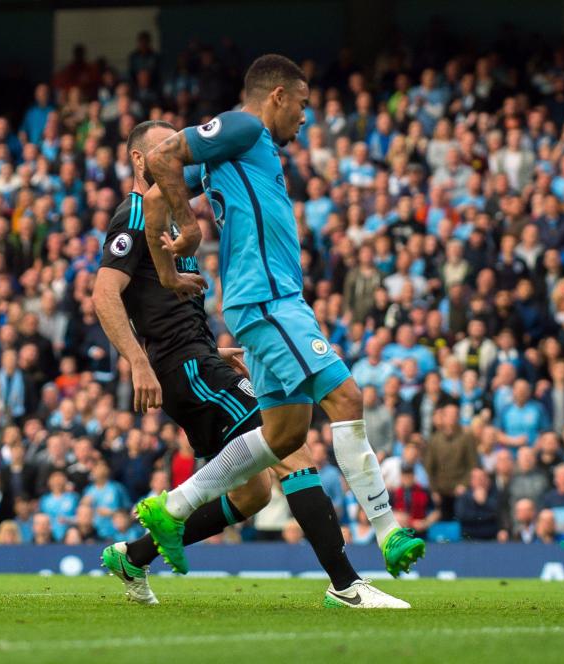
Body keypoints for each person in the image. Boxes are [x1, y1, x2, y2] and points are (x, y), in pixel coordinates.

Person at [93, 119, 405, 608]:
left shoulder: (167, 221)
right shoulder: (133, 215)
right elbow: (104, 292)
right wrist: (138, 362)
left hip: (197, 362)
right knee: (290, 447)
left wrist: (213, 353)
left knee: (253, 494)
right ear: (139, 160)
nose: (178, 156)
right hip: (184, 369)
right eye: (164, 149)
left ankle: (134, 556)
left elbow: (164, 311)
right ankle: (346, 584)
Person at [138, 54, 424, 586]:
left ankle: (174, 506)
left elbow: (155, 192)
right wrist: (188, 229)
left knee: (284, 435)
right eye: (303, 104)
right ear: (277, 96)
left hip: (267, 301)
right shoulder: (243, 126)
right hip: (269, 300)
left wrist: (169, 273)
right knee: (347, 399)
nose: (305, 116)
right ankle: (388, 531)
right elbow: (161, 156)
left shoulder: (235, 152)